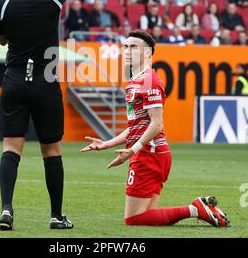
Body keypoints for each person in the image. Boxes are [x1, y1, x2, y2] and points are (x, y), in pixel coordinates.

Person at [0, 0, 92, 231]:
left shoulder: (4, 2)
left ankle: (7, 210)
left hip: (15, 79)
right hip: (46, 81)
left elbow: (1, 37)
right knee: (51, 149)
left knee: (11, 147)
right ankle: (56, 216)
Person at [81, 29, 230, 228]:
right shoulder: (135, 81)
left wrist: (133, 150)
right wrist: (107, 144)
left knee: (133, 219)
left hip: (148, 155)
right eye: (125, 46)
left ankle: (195, 209)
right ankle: (198, 208)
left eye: (133, 47)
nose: (127, 51)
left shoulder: (149, 81)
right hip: (153, 153)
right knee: (146, 215)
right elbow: (136, 126)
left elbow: (157, 123)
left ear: (148, 53)